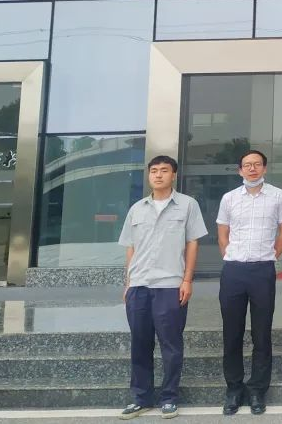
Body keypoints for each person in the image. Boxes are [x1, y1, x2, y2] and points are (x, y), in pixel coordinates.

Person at [118, 155, 208, 420]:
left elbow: (192, 243)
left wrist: (187, 280)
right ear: (149, 175)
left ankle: (169, 398)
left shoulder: (188, 205)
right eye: (154, 171)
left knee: (171, 345)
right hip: (139, 286)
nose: (158, 175)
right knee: (140, 344)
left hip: (170, 285)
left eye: (164, 170)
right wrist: (128, 283)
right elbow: (130, 248)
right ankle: (141, 398)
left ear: (174, 175)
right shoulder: (137, 209)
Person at [216, 150, 282, 415]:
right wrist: (228, 254)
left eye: (257, 164)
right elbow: (222, 231)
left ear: (264, 168)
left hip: (262, 270)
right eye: (247, 165)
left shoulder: (278, 196)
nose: (252, 169)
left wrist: (273, 255)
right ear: (240, 170)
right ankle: (234, 389)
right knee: (232, 333)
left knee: (262, 333)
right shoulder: (229, 198)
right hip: (233, 271)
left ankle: (258, 390)